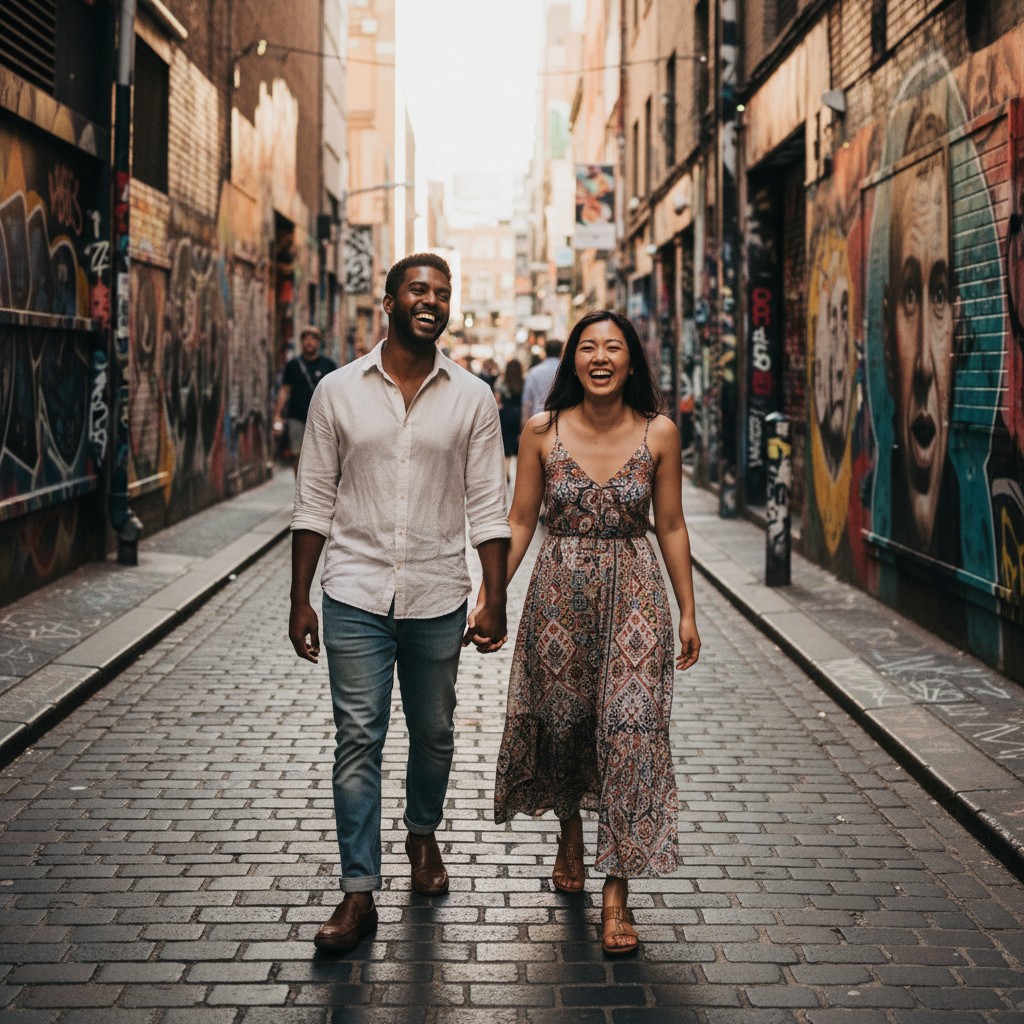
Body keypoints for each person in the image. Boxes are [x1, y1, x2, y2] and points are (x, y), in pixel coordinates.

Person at [288, 252, 511, 956]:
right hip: (353, 589)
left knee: (435, 733)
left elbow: (488, 506)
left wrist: (493, 594)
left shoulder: (472, 397)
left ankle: (421, 833)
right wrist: (301, 597)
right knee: (358, 739)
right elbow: (314, 499)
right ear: (388, 300)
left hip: (438, 595)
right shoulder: (336, 391)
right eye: (418, 289)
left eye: (443, 292)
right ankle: (358, 892)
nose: (431, 301)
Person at [476, 309, 700, 957]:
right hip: (558, 594)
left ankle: (617, 893)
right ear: (573, 359)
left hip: (635, 596)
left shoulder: (660, 432)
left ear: (632, 361)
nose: (601, 357)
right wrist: (493, 594)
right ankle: (571, 827)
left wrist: (687, 610)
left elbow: (674, 526)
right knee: (565, 723)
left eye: (615, 347)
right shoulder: (541, 431)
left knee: (632, 733)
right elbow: (519, 521)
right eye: (589, 347)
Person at [273, 326, 337, 472]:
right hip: (297, 417)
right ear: (301, 342)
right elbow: (284, 391)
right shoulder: (293, 365)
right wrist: (277, 415)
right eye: (306, 339)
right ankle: (300, 488)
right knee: (298, 455)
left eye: (313, 338)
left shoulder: (328, 365)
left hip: (321, 418)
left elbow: (335, 391)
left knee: (322, 456)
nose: (309, 342)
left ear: (318, 342)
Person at [520, 337, 563, 428]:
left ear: (545, 352)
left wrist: (523, 425)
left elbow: (527, 400)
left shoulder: (534, 372)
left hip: (537, 420)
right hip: (561, 421)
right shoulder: (565, 371)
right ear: (561, 352)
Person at [495, 358, 524, 481]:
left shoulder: (501, 382)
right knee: (519, 445)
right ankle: (519, 475)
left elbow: (497, 399)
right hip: (519, 415)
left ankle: (506, 472)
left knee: (506, 445)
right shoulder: (523, 382)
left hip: (505, 415)